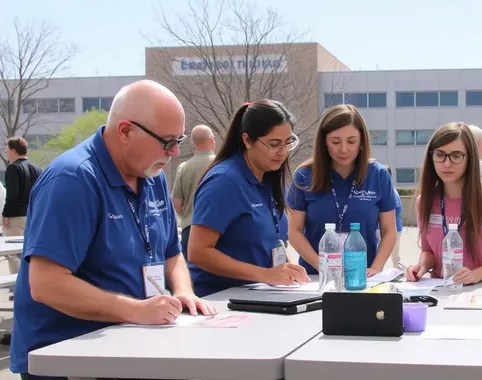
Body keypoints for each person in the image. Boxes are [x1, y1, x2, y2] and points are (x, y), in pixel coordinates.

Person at [9, 80, 216, 379]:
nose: (173, 153)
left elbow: (172, 254)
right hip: (68, 357)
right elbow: (46, 285)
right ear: (125, 131)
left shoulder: (152, 175)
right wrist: (136, 310)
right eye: (167, 141)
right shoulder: (73, 179)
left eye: (179, 141)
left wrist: (184, 292)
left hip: (131, 345)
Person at [188, 100, 309, 297]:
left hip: (258, 295)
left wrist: (287, 270)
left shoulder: (268, 176)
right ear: (247, 140)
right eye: (274, 144)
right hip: (219, 300)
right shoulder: (224, 181)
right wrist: (266, 275)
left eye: (288, 143)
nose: (283, 152)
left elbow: (274, 241)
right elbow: (198, 252)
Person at [286, 104, 397, 276]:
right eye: (335, 141)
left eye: (351, 141)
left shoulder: (378, 174)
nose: (344, 149)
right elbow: (294, 232)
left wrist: (376, 268)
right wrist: (322, 266)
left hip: (363, 276)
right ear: (324, 141)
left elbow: (389, 231)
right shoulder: (304, 176)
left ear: (362, 141)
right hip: (316, 276)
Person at [406, 122, 482, 284]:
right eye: (440, 154)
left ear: (470, 158)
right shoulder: (424, 201)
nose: (446, 163)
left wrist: (477, 274)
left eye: (456, 156)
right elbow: (428, 250)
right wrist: (421, 266)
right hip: (442, 289)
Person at [171, 125, 216, 259]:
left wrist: (187, 215)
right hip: (215, 229)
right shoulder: (221, 165)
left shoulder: (183, 168)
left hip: (189, 228)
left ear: (193, 143)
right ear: (212, 139)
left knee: (190, 274)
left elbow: (177, 203)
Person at [3, 136, 42, 275]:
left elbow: (12, 194)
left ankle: (17, 288)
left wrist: (5, 214)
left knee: (13, 253)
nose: (6, 152)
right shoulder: (36, 168)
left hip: (16, 215)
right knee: (30, 252)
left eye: (7, 149)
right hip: (34, 214)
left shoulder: (13, 168)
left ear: (13, 150)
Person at [383, 165, 402, 268]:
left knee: (394, 253)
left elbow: (396, 210)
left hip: (394, 228)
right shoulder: (384, 190)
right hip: (379, 228)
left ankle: (397, 270)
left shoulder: (390, 191)